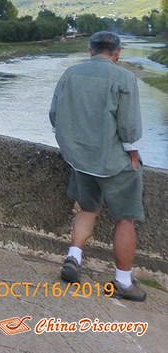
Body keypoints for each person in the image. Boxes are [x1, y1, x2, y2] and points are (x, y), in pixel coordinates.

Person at [49, 30, 146, 301]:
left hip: (80, 159)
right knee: (124, 218)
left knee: (88, 208)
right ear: (116, 54)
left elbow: (55, 115)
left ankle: (74, 257)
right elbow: (129, 126)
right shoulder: (123, 77)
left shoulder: (71, 74)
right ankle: (123, 282)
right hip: (114, 162)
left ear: (90, 51)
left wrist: (72, 147)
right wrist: (133, 154)